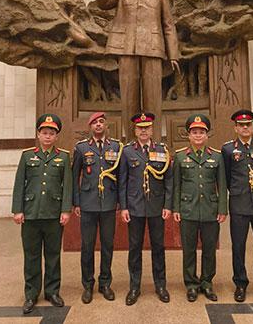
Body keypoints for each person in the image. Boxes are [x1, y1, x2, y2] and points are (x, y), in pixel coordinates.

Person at [94, 0, 181, 139]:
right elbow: (103, 2)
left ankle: (155, 143)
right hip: (126, 49)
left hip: (153, 49)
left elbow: (168, 23)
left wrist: (173, 54)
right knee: (129, 101)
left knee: (153, 101)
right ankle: (131, 146)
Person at [11, 113, 72, 314]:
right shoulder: (27, 156)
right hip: (30, 214)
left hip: (54, 215)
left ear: (56, 136)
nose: (47, 136)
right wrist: (17, 209)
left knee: (53, 255)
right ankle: (31, 294)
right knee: (31, 256)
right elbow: (20, 183)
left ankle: (52, 291)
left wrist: (65, 210)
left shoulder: (63, 156)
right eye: (44, 132)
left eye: (51, 133)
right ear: (38, 134)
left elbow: (67, 187)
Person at [118, 112, 173, 305]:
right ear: (135, 130)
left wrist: (168, 205)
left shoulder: (162, 150)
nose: (143, 131)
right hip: (134, 207)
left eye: (147, 128)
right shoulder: (127, 151)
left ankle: (160, 285)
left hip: (157, 207)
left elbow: (169, 180)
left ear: (152, 130)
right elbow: (122, 181)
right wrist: (123, 207)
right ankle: (134, 286)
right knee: (135, 248)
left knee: (158, 247)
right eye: (140, 128)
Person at [173, 114, 227, 302]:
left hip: (210, 210)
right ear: (188, 135)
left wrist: (222, 209)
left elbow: (222, 184)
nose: (198, 135)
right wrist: (176, 209)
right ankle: (191, 284)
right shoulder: (180, 156)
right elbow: (176, 186)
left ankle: (206, 282)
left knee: (209, 249)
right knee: (189, 250)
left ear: (207, 135)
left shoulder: (217, 156)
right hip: (188, 209)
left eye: (201, 132)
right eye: (194, 132)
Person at [221, 109, 253, 304]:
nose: (245, 127)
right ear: (235, 128)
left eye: (248, 124)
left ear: (252, 127)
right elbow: (226, 178)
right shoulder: (228, 149)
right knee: (238, 246)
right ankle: (240, 284)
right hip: (239, 204)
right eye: (241, 125)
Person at [72, 111, 123, 304]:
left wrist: (120, 201)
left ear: (106, 125)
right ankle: (88, 285)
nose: (99, 125)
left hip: (109, 203)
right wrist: (76, 202)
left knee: (108, 245)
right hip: (87, 204)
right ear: (90, 127)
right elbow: (75, 176)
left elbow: (121, 177)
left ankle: (105, 283)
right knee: (87, 246)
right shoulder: (81, 148)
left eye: (101, 122)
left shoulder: (116, 146)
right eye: (95, 123)